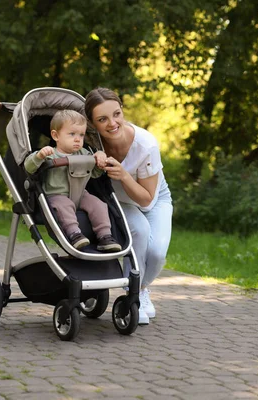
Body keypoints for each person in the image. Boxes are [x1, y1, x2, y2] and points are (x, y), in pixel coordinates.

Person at [84, 87, 173, 325]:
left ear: (122, 110)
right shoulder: (91, 142)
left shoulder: (146, 145)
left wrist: (124, 175)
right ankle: (132, 297)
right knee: (139, 233)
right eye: (102, 119)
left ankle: (141, 289)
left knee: (157, 252)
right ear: (92, 123)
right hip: (120, 201)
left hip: (154, 199)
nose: (112, 123)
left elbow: (146, 198)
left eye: (116, 114)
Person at [24, 109, 121, 252]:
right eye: (72, 134)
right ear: (55, 135)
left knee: (98, 204)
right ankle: (74, 234)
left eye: (81, 135)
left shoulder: (84, 153)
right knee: (65, 205)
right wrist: (38, 156)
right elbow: (29, 167)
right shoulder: (50, 153)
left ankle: (105, 236)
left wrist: (100, 159)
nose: (78, 139)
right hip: (56, 195)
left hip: (80, 194)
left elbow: (94, 174)